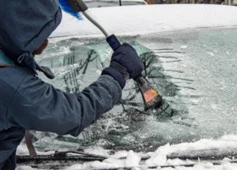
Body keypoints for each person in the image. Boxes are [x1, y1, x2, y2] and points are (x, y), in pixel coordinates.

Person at [0, 0, 144, 169]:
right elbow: (75, 114)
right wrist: (118, 73)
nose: (46, 41)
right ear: (23, 31)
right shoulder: (9, 83)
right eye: (42, 33)